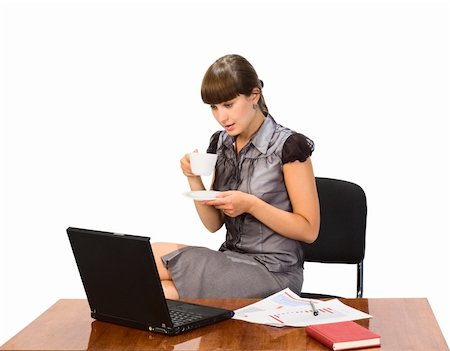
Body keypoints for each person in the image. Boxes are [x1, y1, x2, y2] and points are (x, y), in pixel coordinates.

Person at [152, 54, 320, 300]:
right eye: (214, 107)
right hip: (230, 261)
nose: (222, 117)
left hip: (274, 272)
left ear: (254, 95)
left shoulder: (288, 147)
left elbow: (309, 230)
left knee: (162, 285)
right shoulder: (221, 143)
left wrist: (251, 205)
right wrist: (193, 178)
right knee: (152, 267)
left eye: (228, 105)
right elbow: (213, 224)